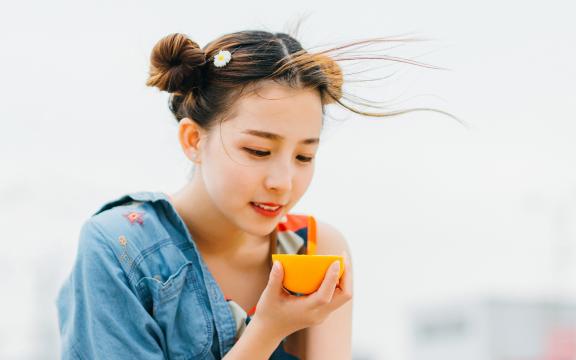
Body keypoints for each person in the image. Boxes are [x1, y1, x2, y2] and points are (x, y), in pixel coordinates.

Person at [55, 29, 453, 359]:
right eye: (258, 151)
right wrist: (268, 329)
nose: (283, 181)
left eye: (304, 155)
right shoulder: (120, 246)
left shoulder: (315, 250)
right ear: (194, 139)